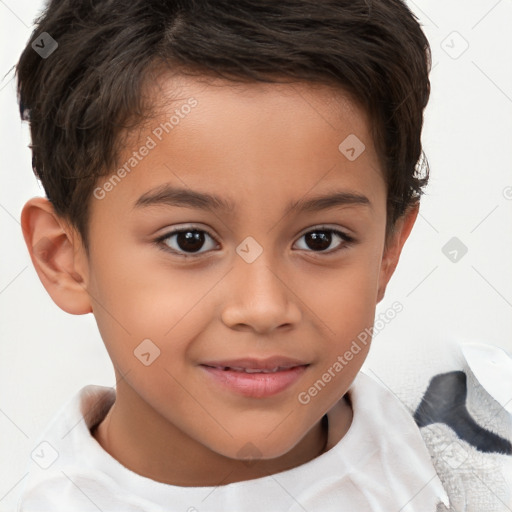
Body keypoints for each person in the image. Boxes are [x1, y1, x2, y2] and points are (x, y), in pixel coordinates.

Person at [14, 0, 511, 510]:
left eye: (321, 239)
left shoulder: (484, 467)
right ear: (64, 258)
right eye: (190, 240)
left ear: (388, 250)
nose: (264, 307)